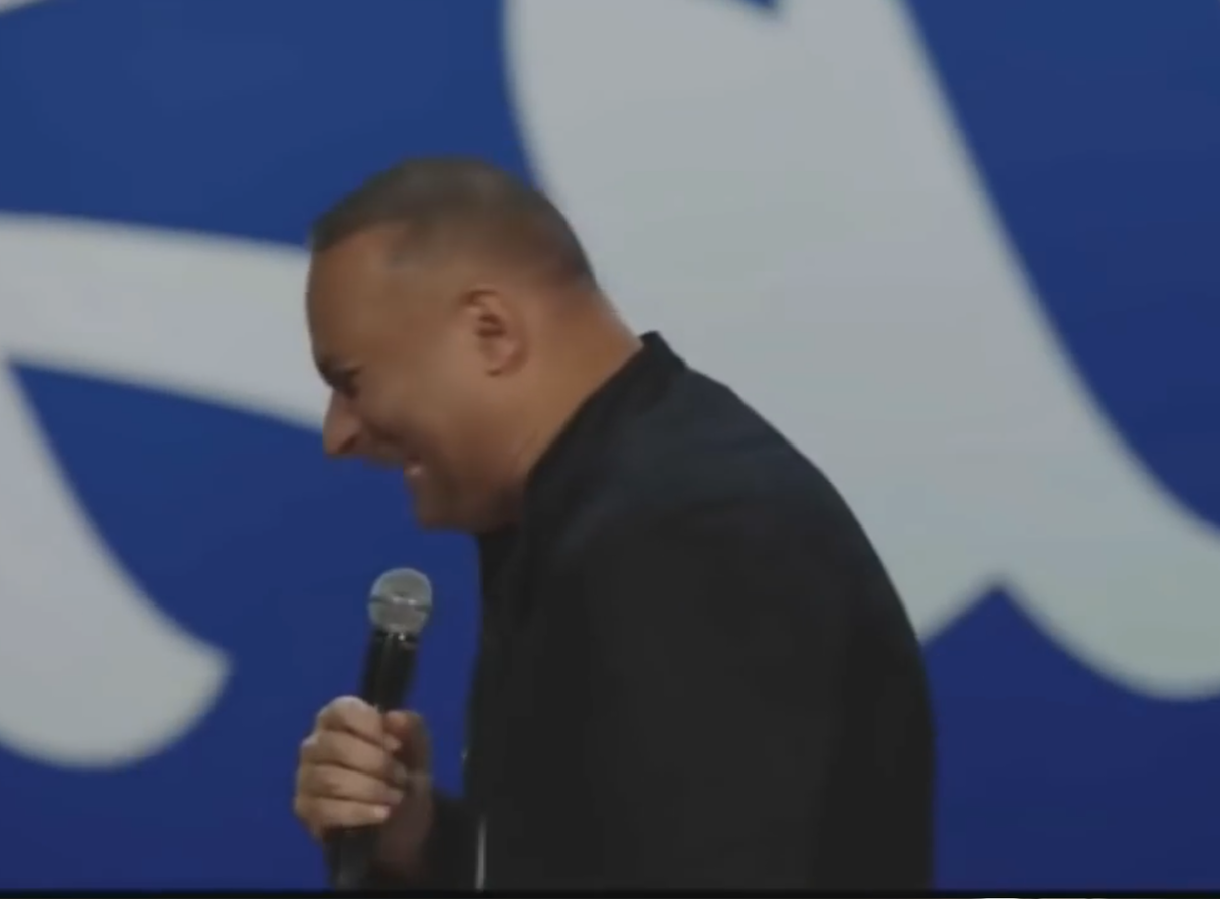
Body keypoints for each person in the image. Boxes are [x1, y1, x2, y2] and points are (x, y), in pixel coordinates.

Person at [290, 156, 935, 890]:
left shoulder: (687, 537)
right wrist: (422, 844)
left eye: (351, 381)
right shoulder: (620, 506)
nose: (338, 435)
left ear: (491, 331)